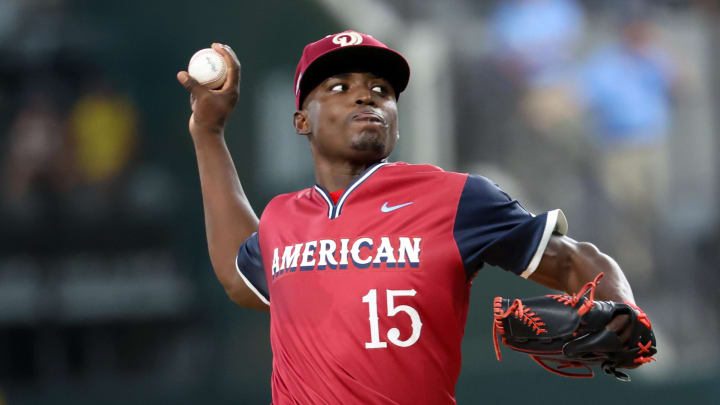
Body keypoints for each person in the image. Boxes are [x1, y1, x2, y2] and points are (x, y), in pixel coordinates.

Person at [177, 31, 641, 404]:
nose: (366, 98)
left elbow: (574, 258)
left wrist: (624, 310)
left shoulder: (456, 198)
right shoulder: (282, 217)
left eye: (381, 90)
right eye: (339, 88)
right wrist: (208, 132)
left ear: (396, 117)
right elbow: (240, 277)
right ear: (302, 120)